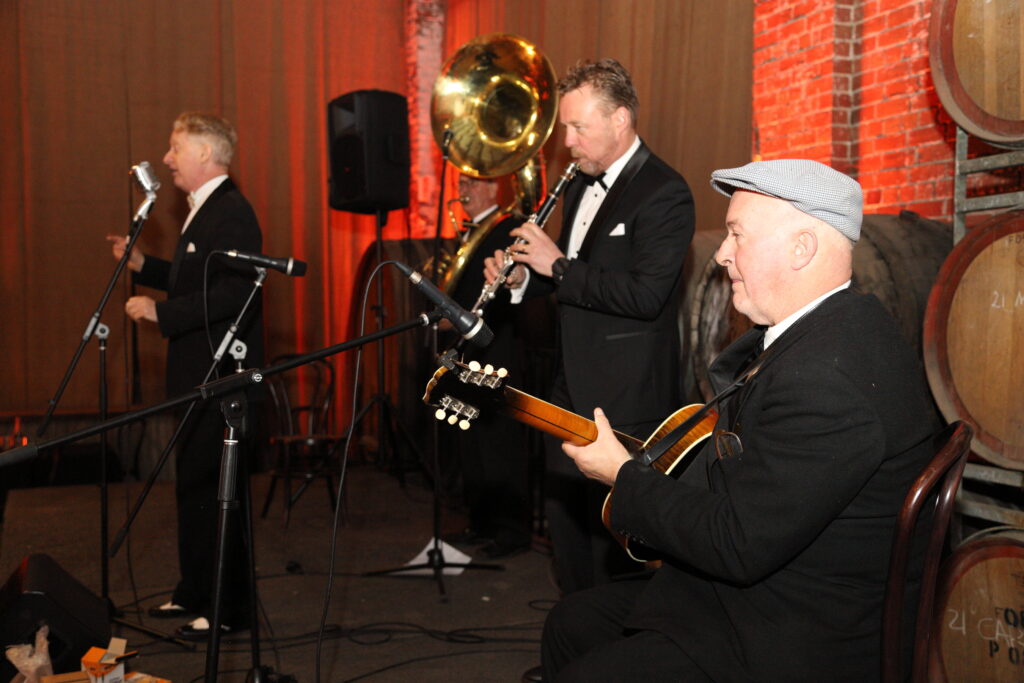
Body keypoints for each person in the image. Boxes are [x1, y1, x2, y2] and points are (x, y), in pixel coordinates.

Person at [540, 159, 940, 682]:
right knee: (570, 621)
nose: (722, 254)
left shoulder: (825, 377)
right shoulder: (841, 327)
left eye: (737, 234)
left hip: (795, 634)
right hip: (774, 589)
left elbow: (737, 545)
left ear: (801, 248)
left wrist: (622, 475)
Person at [485, 59, 695, 594]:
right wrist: (521, 280)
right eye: (566, 128)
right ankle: (573, 633)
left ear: (620, 119)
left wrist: (556, 264)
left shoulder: (665, 191)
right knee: (569, 537)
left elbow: (646, 296)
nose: (568, 142)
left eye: (579, 127)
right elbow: (574, 283)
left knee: (615, 549)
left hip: (628, 400)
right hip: (570, 390)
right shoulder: (580, 184)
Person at [107, 112, 264, 640]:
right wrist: (145, 267)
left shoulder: (232, 212)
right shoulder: (205, 208)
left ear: (204, 153)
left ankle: (229, 609)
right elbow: (195, 279)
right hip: (196, 377)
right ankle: (195, 590)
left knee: (219, 495)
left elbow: (235, 293)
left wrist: (161, 312)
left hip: (220, 380)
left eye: (176, 148)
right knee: (194, 490)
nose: (167, 159)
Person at [443, 174, 532, 559]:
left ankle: (511, 531)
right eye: (462, 183)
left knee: (499, 444)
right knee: (471, 440)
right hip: (467, 353)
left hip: (497, 351)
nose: (465, 190)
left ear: (496, 188)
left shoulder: (507, 226)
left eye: (474, 183)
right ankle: (480, 522)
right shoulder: (471, 231)